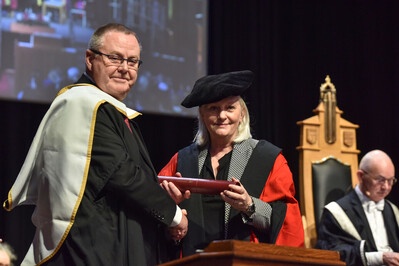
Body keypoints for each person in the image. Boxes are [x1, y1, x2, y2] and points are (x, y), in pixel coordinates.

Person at [3, 23, 188, 266]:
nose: (124, 68)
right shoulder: (84, 104)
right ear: (90, 59)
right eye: (115, 58)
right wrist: (173, 216)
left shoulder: (106, 107)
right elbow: (123, 175)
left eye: (132, 62)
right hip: (89, 250)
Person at [159, 70, 304, 258]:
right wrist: (172, 219)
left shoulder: (268, 158)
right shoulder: (182, 160)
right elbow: (155, 213)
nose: (222, 116)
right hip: (192, 261)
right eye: (213, 108)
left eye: (230, 108)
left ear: (242, 114)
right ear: (202, 115)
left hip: (246, 260)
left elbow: (285, 223)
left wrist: (249, 205)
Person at [316, 150, 399, 266]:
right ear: (361, 176)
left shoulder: (393, 211)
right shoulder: (337, 213)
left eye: (390, 181)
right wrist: (379, 257)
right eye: (380, 180)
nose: (386, 187)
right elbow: (330, 253)